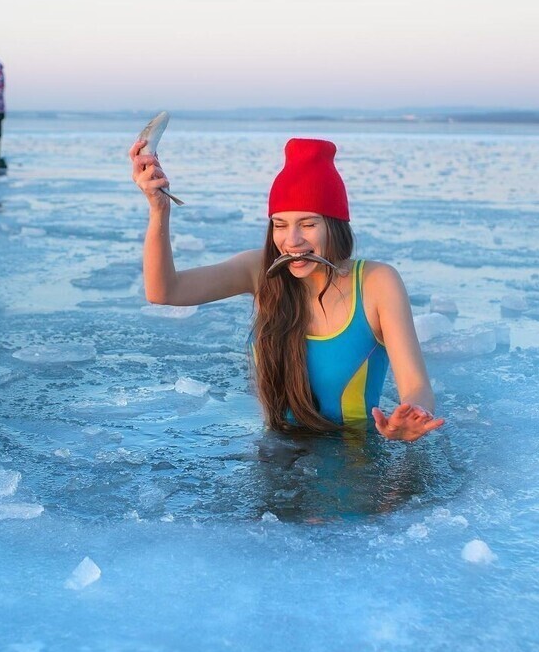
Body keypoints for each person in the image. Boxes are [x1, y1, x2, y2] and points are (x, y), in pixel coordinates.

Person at [130, 136, 445, 443]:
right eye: (280, 225)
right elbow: (164, 291)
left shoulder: (377, 282)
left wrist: (413, 416)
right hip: (278, 457)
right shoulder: (260, 271)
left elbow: (417, 386)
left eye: (308, 224)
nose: (292, 241)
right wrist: (159, 209)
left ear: (335, 225)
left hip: (355, 463)